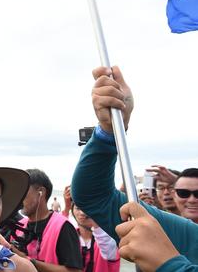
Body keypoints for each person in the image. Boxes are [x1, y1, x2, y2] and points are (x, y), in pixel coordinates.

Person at [71, 66, 198, 269]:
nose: (191, 199)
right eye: (183, 192)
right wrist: (109, 131)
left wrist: (167, 264)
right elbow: (93, 196)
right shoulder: (188, 235)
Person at [9, 168, 83, 272]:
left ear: (41, 192)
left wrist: (29, 261)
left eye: (24, 191)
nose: (20, 198)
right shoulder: (19, 226)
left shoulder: (62, 226)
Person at [70, 202, 119, 272]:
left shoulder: (106, 239)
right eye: (78, 208)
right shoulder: (68, 235)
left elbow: (109, 251)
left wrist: (97, 221)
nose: (82, 213)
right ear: (72, 211)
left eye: (87, 209)